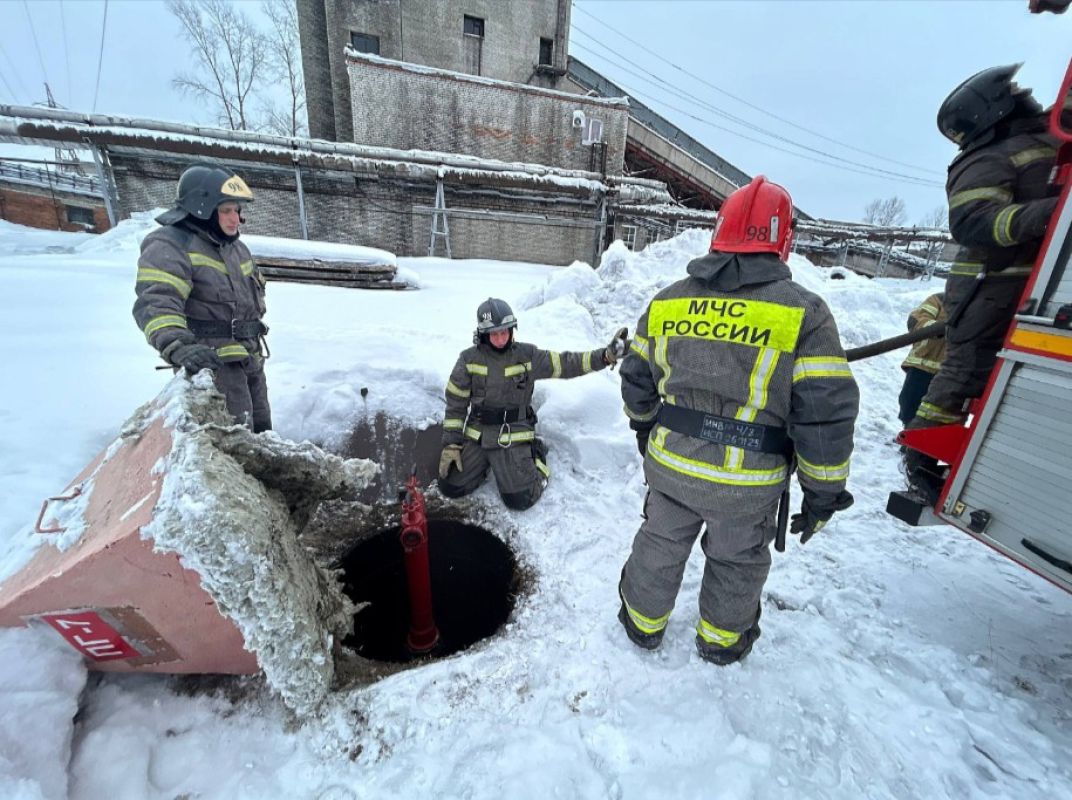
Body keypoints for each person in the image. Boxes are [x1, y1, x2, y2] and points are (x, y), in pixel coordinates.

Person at [616, 176, 859, 665]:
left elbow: (637, 377)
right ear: (782, 239)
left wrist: (645, 427)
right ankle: (722, 643)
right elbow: (824, 415)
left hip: (671, 464)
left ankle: (641, 625)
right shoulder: (805, 314)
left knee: (658, 542)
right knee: (736, 560)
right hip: (746, 483)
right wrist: (822, 492)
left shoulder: (668, 301)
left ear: (718, 232)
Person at [904, 65, 1061, 497]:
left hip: (1021, 283)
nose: (1023, 90)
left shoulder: (1044, 135)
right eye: (1012, 88)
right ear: (991, 107)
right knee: (965, 369)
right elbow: (973, 222)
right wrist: (1054, 213)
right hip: (987, 286)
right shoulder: (983, 160)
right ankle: (920, 455)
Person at [438, 298, 628, 511]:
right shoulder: (468, 359)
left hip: (513, 433)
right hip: (479, 434)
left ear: (512, 330)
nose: (500, 339)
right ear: (483, 334)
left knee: (520, 500)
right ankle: (486, 465)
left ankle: (536, 454)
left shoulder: (527, 356)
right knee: (449, 485)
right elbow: (456, 404)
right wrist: (452, 444)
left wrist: (604, 356)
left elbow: (567, 363)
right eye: (494, 334)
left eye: (505, 332)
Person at [133, 164, 272, 432]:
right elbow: (157, 301)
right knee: (233, 441)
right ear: (201, 207)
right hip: (212, 367)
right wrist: (178, 346)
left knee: (262, 434)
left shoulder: (236, 249)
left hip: (249, 361)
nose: (235, 219)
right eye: (226, 210)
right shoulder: (170, 244)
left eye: (237, 210)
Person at [898, 292, 948, 425]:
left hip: (951, 376)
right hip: (922, 368)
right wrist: (939, 328)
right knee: (909, 407)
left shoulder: (980, 308)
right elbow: (916, 320)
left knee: (938, 417)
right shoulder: (940, 299)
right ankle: (907, 434)